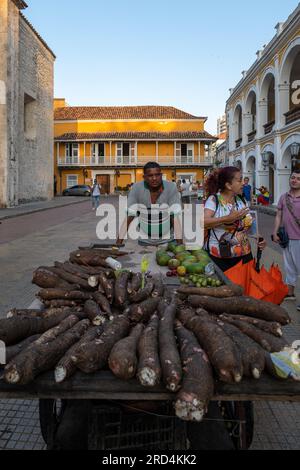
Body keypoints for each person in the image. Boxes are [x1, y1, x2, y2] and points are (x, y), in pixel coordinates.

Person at [204, 167, 266, 272]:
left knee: (245, 287)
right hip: (220, 257)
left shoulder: (241, 200)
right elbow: (203, 222)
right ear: (228, 185)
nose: (243, 183)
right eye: (239, 180)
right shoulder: (214, 200)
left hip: (244, 255)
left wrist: (258, 236)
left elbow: (248, 223)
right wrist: (227, 218)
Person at [116, 162, 182, 246]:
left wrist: (180, 245)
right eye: (150, 176)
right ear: (144, 177)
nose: (154, 178)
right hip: (144, 241)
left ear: (161, 175)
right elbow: (129, 218)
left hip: (168, 241)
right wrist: (118, 243)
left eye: (157, 175)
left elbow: (174, 218)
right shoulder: (137, 188)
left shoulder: (171, 187)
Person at [273, 169, 300, 308]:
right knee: (289, 267)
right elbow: (278, 215)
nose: (294, 180)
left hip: (299, 239)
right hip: (286, 239)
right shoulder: (284, 197)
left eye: (298, 179)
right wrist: (275, 231)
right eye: (293, 178)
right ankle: (290, 293)